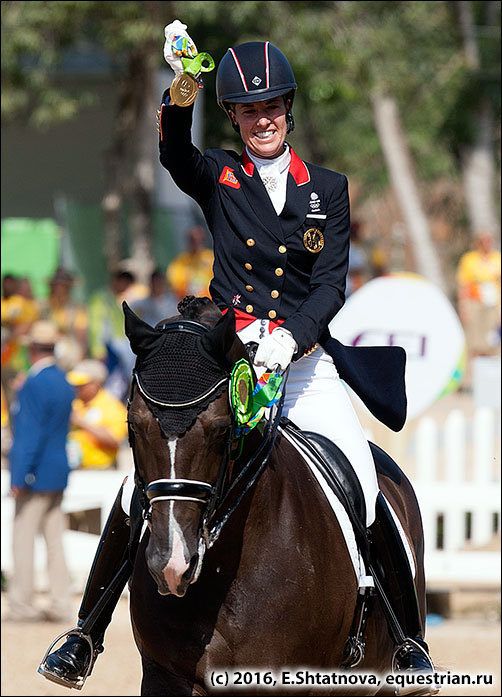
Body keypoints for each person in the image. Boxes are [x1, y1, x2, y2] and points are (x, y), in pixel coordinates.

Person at [39, 22, 433, 686]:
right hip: (229, 359)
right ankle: (86, 631)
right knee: (146, 480)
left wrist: (291, 338)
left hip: (303, 363)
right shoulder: (220, 174)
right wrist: (186, 81)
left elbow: (332, 283)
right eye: (250, 109)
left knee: (363, 481)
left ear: (287, 109)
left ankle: (408, 637)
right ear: (234, 115)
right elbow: (171, 150)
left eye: (272, 105)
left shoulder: (326, 191)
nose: (263, 118)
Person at [7, 320, 74, 623]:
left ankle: (22, 603)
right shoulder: (62, 380)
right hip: (57, 470)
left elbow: (29, 435)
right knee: (54, 540)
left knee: (22, 538)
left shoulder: (34, 383)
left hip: (35, 473)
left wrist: (19, 475)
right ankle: (61, 602)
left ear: (32, 349)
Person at [456, 229, 501, 388]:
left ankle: (491, 381)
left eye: (489, 241)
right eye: (483, 241)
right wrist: (463, 307)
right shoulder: (469, 260)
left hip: (493, 305)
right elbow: (463, 285)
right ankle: (468, 381)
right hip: (474, 303)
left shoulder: (497, 259)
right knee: (473, 342)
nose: (486, 245)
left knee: (492, 342)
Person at [65, 360, 128, 470]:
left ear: (96, 384)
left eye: (81, 385)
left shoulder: (112, 407)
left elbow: (115, 441)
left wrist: (81, 422)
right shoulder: (74, 403)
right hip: (73, 469)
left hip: (101, 472)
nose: (77, 388)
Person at [87, 269, 137, 401]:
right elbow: (96, 326)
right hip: (107, 348)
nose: (125, 288)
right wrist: (98, 350)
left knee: (119, 383)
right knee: (108, 383)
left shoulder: (116, 299)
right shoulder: (101, 298)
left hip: (120, 350)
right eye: (124, 284)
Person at [39, 267, 89, 370]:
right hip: (45, 351)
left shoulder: (76, 308)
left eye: (63, 285)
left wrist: (81, 356)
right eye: (57, 285)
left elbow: (81, 336)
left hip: (70, 354)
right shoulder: (44, 306)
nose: (60, 288)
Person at [166, 224, 214, 301]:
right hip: (189, 304)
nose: (196, 243)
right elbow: (175, 284)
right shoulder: (180, 261)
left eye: (200, 240)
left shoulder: (211, 258)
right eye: (193, 240)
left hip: (210, 304)